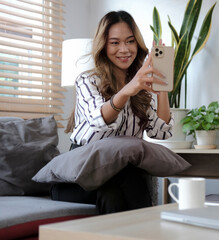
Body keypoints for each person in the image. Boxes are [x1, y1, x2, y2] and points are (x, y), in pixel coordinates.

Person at [50, 10, 174, 214]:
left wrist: (163, 89)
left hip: (118, 176)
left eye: (130, 41)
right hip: (78, 174)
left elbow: (161, 132)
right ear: (104, 46)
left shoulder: (140, 89)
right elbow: (99, 120)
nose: (124, 49)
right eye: (115, 42)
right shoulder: (87, 81)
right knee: (127, 177)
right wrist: (128, 89)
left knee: (117, 188)